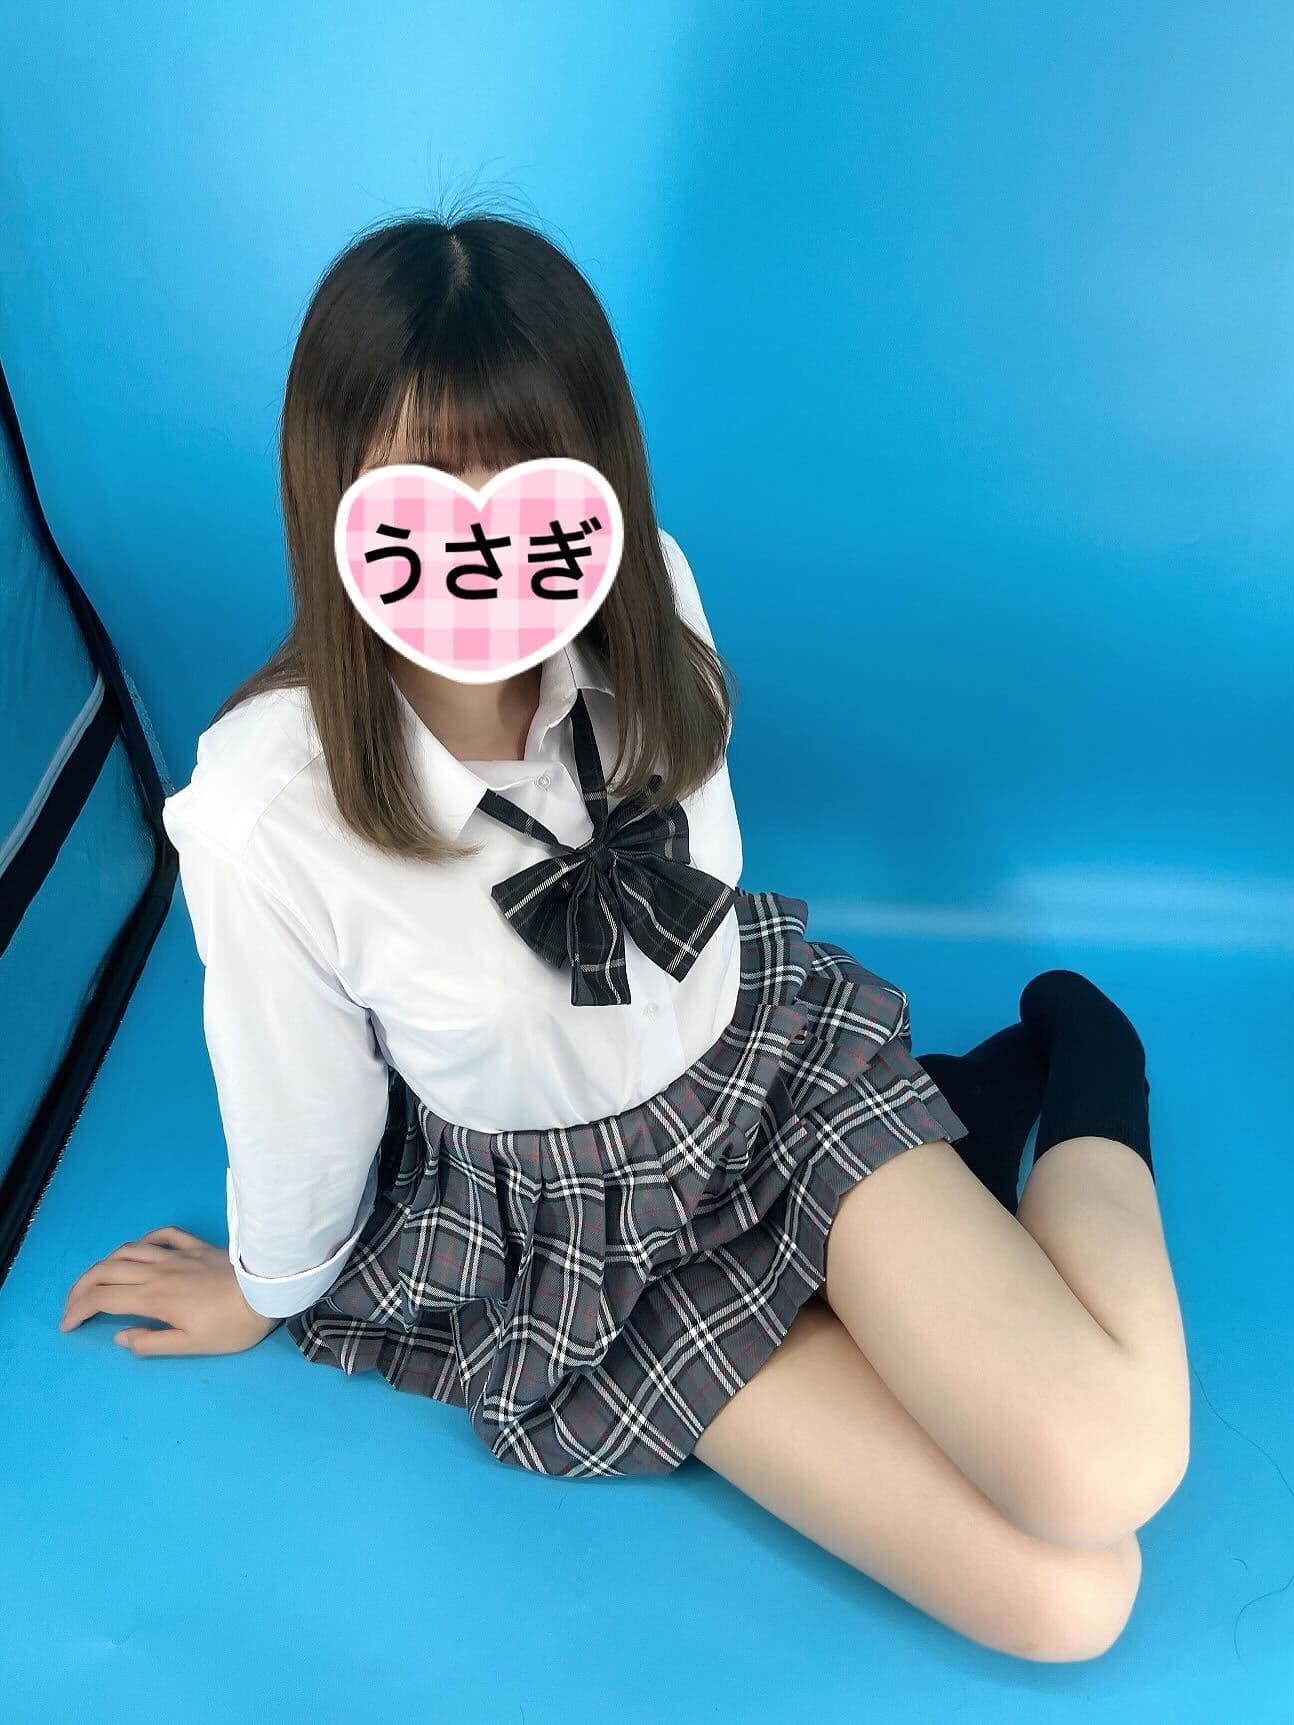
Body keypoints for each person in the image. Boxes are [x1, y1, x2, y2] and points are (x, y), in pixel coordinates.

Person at [60, 210, 1190, 1663]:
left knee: (1105, 1470)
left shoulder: (642, 588)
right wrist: (265, 1284)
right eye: (424, 489)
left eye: (524, 481)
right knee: (1072, 1604)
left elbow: (695, 890)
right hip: (578, 1241)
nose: (483, 539)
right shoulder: (264, 809)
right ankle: (950, 1149)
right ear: (332, 495)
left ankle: (1091, 1078)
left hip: (765, 1089)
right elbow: (301, 1099)